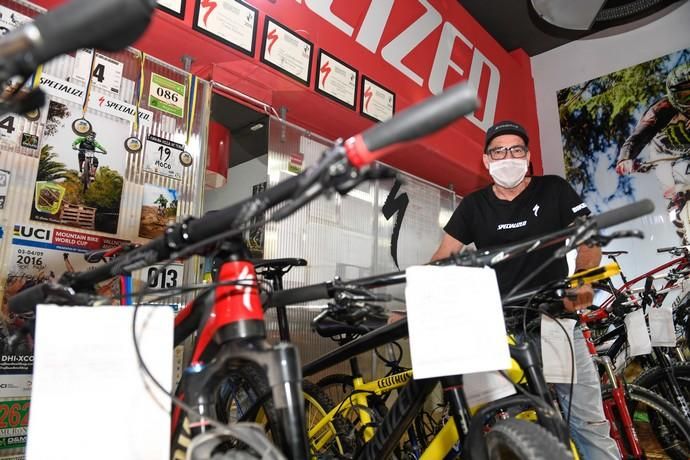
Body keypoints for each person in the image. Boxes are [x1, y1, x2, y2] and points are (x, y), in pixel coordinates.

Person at [432, 120, 619, 459]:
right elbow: (442, 257)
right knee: (513, 427)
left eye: (516, 150)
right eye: (499, 150)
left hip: (556, 322)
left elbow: (589, 240)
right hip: (501, 331)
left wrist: (582, 280)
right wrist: (413, 302)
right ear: (486, 160)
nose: (508, 156)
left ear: (528, 156)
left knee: (587, 422)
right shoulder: (474, 206)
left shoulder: (554, 190)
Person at [615, 63, 690, 243]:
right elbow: (638, 136)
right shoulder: (661, 109)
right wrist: (625, 159)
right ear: (673, 96)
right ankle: (683, 236)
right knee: (672, 192)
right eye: (684, 95)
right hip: (665, 156)